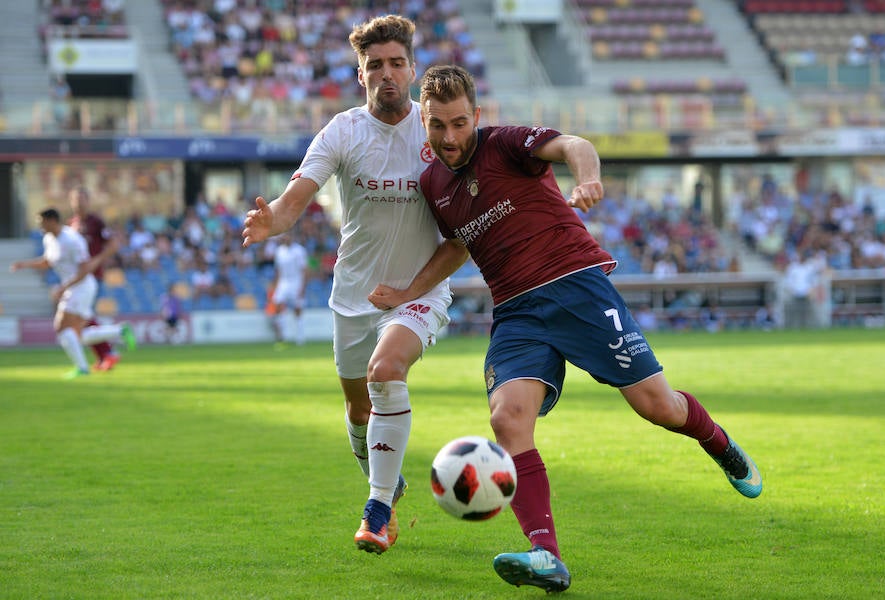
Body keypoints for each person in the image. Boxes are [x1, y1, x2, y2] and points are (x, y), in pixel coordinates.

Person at [372, 65, 763, 593]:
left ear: (476, 116)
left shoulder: (507, 144)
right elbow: (458, 245)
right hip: (515, 312)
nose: (449, 137)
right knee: (507, 419)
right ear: (424, 120)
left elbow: (574, 144)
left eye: (460, 123)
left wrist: (589, 178)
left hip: (575, 287)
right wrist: (406, 293)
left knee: (658, 407)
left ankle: (719, 443)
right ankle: (546, 555)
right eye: (438, 126)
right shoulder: (432, 184)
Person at [241, 15, 468, 555]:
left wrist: (415, 288)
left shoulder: (437, 131)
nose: (386, 74)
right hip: (354, 294)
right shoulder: (341, 131)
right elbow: (297, 197)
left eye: (396, 63)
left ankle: (377, 508)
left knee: (386, 372)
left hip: (421, 290)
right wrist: (273, 219)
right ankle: (386, 480)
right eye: (375, 66)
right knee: (359, 413)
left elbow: (463, 226)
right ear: (359, 74)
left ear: (412, 70)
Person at [11, 208, 136, 378]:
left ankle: (82, 368)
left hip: (82, 286)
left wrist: (63, 287)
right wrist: (24, 265)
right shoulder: (49, 238)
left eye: (42, 222)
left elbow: (84, 270)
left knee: (61, 327)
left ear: (53, 221)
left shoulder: (72, 240)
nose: (40, 226)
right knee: (78, 336)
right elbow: (48, 261)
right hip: (73, 287)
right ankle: (119, 331)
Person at [68, 186, 122, 371]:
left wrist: (97, 260)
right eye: (75, 199)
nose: (78, 202)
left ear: (88, 201)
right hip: (76, 279)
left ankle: (108, 351)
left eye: (82, 198)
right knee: (84, 318)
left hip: (92, 277)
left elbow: (114, 244)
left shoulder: (96, 222)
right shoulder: (71, 225)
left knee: (83, 317)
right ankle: (105, 355)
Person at [271, 232, 309, 346]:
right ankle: (282, 336)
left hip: (296, 281)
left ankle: (300, 337)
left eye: (287, 235)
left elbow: (305, 270)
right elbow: (278, 270)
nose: (285, 238)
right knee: (277, 305)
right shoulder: (279, 251)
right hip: (283, 282)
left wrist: (303, 287)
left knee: (297, 309)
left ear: (291, 236)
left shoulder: (299, 251)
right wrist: (275, 285)